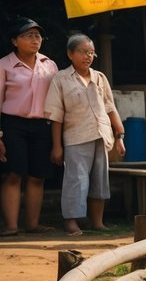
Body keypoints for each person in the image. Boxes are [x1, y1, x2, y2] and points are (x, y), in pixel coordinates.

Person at [45, 34, 126, 235]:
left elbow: (110, 107)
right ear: (70, 54)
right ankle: (71, 222)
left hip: (101, 135)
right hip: (75, 136)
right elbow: (56, 115)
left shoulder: (100, 77)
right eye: (83, 52)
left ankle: (97, 222)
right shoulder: (61, 79)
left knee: (100, 180)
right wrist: (57, 146)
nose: (88, 56)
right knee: (76, 180)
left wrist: (119, 136)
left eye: (91, 52)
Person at [0, 18, 58, 234]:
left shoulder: (49, 64)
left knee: (37, 175)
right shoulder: (4, 65)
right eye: (29, 35)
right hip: (12, 124)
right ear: (15, 41)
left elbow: (57, 100)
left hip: (42, 125)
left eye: (38, 35)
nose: (35, 40)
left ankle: (33, 224)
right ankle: (11, 226)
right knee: (13, 174)